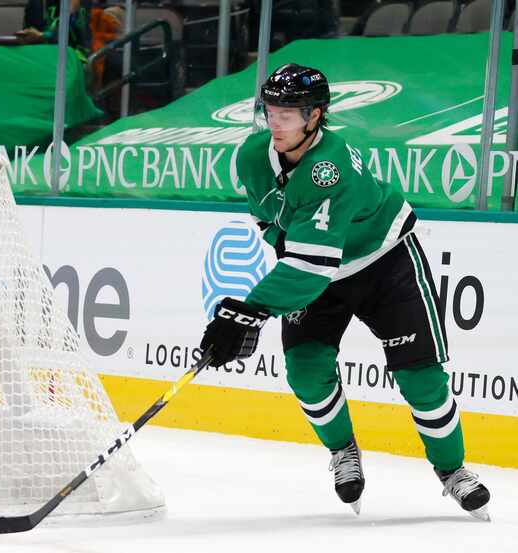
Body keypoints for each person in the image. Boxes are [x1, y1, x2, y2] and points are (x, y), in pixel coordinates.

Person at [199, 64, 491, 520]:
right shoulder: (251, 157)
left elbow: (312, 267)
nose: (276, 120)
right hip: (317, 271)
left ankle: (452, 471)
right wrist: (251, 309)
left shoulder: (327, 169)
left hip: (385, 264)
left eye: (289, 112)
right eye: (271, 109)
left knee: (421, 378)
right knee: (306, 371)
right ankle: (343, 450)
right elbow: (270, 223)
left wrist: (250, 311)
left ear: (315, 116)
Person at [16, 0, 92, 60]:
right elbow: (27, 32)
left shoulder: (79, 3)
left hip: (73, 58)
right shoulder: (36, 3)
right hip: (40, 57)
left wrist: (43, 37)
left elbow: (72, 34)